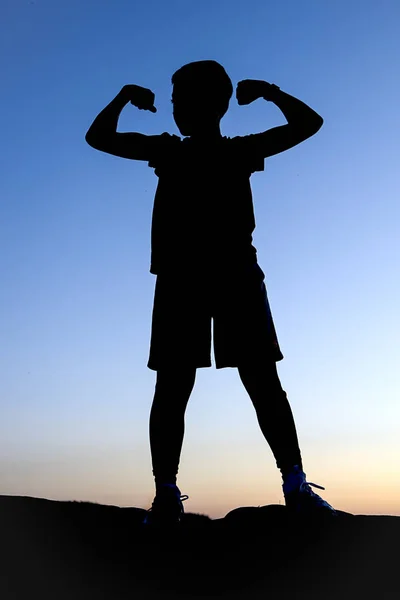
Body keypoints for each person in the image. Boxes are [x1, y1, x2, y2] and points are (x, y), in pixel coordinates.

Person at [85, 60, 337, 526]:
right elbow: (97, 138)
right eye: (176, 99)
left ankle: (294, 485)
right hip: (186, 279)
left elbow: (309, 124)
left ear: (214, 103)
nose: (176, 107)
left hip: (233, 277)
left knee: (257, 382)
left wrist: (271, 89)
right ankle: (167, 494)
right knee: (178, 385)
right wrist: (121, 96)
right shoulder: (171, 151)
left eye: (182, 98)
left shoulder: (230, 152)